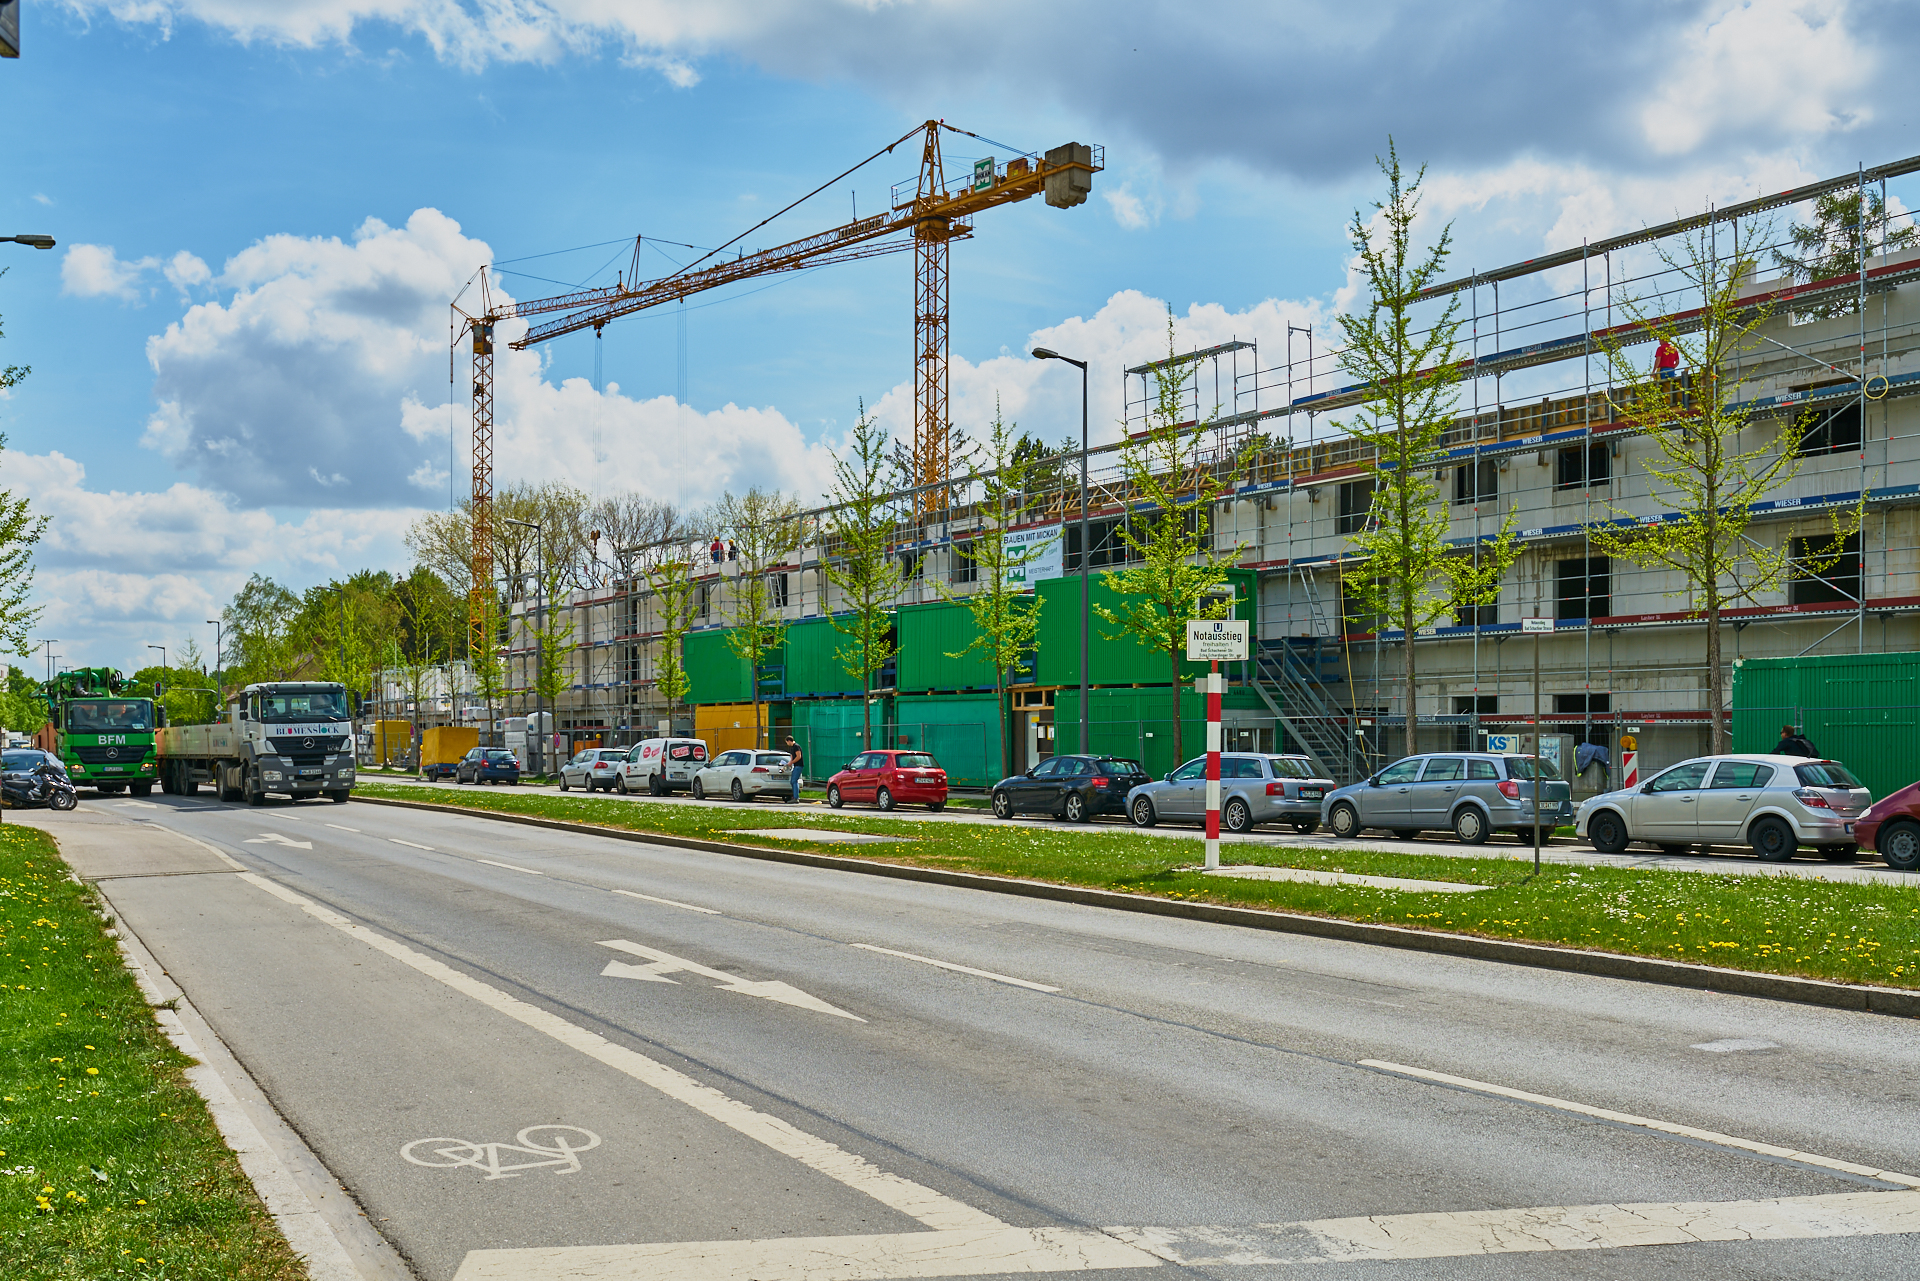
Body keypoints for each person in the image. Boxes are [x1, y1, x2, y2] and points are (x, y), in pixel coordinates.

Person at [785, 735, 804, 804]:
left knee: (794, 780)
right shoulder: (792, 748)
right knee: (792, 781)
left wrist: (792, 762)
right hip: (796, 766)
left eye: (787, 742)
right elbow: (792, 756)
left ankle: (796, 798)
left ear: (789, 741)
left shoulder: (796, 746)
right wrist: (790, 762)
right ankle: (795, 796)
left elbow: (799, 756)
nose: (787, 744)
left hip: (799, 766)